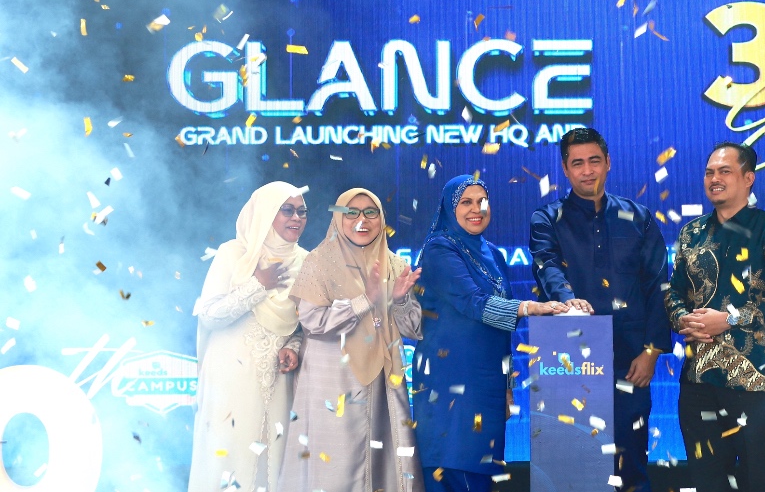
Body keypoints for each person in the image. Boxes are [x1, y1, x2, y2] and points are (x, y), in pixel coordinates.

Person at [529, 127, 670, 492]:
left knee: (631, 463)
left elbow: (658, 287)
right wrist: (568, 300)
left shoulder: (638, 217)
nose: (587, 170)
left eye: (594, 161)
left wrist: (652, 351)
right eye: (577, 163)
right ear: (565, 169)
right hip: (569, 362)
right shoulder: (546, 219)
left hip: (630, 362)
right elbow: (548, 267)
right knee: (572, 468)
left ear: (608, 162)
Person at [413, 175, 567, 492]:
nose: (476, 209)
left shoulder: (494, 254)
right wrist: (529, 307)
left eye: (482, 201)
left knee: (482, 474)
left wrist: (506, 386)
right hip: (449, 383)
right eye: (466, 202)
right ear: (449, 208)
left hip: (488, 387)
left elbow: (501, 327)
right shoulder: (439, 249)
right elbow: (473, 302)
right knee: (452, 470)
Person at [666, 143, 765, 492]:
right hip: (698, 380)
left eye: (724, 171)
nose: (715, 179)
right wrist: (684, 320)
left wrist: (729, 319)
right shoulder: (691, 233)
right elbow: (674, 291)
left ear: (748, 178)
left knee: (761, 480)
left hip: (754, 382)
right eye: (709, 172)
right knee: (708, 480)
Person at [279, 188, 424, 492]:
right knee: (334, 465)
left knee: (384, 465)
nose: (362, 220)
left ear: (381, 219)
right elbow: (313, 321)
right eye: (351, 213)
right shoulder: (319, 262)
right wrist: (366, 300)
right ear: (338, 219)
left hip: (383, 381)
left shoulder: (395, 265)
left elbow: (413, 328)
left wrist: (399, 300)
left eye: (371, 213)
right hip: (332, 381)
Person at [190, 181, 309, 492]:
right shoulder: (234, 253)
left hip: (278, 380)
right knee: (230, 457)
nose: (296, 218)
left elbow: (302, 325)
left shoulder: (305, 261)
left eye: (302, 212)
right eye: (287, 210)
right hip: (230, 378)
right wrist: (259, 285)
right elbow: (209, 314)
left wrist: (294, 346)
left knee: (273, 463)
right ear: (266, 213)